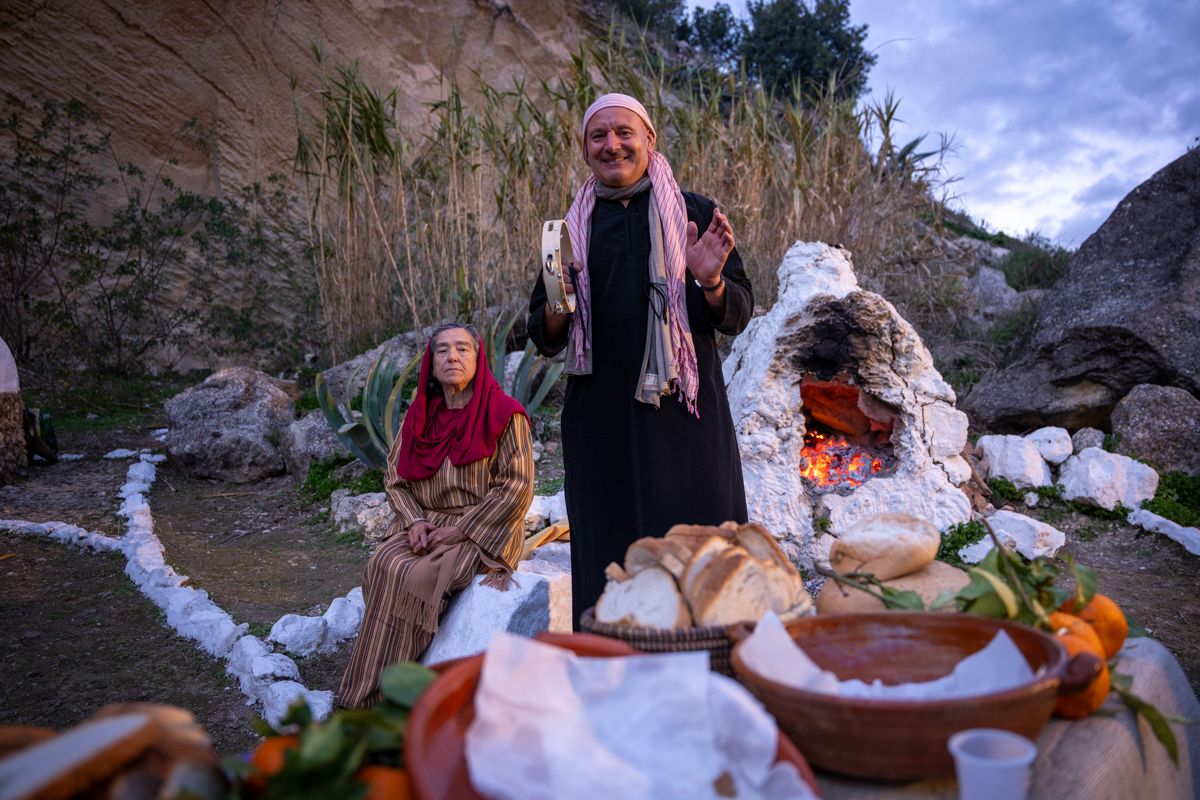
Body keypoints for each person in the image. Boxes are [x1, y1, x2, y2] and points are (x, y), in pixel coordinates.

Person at [527, 92, 753, 627]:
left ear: (649, 140)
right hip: (601, 425)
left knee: (703, 555)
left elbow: (738, 313)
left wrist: (710, 280)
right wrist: (563, 293)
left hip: (686, 423)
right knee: (611, 562)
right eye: (598, 136)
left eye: (624, 132)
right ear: (585, 150)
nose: (613, 145)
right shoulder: (567, 231)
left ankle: (714, 669)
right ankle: (616, 678)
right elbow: (544, 333)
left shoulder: (694, 212)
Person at [338, 322, 534, 708]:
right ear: (431, 363)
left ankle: (376, 698)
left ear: (478, 359)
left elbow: (517, 486)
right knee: (384, 563)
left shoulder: (504, 414)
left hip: (483, 527)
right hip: (426, 524)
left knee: (419, 577)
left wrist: (460, 529)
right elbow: (395, 478)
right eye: (442, 351)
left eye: (462, 349)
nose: (452, 357)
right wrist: (414, 521)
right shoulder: (421, 416)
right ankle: (367, 690)